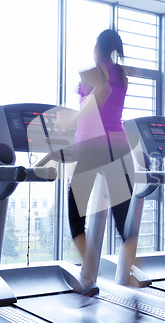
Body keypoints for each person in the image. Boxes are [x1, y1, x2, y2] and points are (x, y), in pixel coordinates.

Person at [56, 29, 137, 295]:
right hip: (120, 146)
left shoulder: (94, 72)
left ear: (96, 47)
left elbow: (100, 93)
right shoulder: (122, 73)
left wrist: (69, 120)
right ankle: (129, 270)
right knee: (122, 217)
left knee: (75, 214)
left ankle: (90, 274)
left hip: (95, 147)